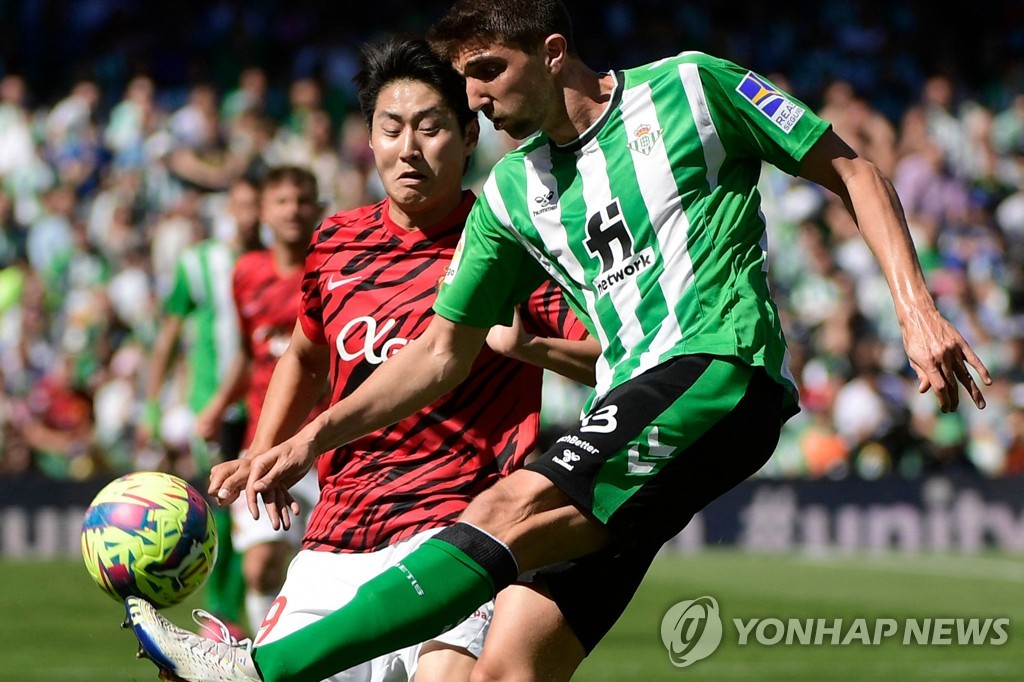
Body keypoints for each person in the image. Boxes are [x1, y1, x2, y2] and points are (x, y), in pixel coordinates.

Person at [127, 1, 992, 680]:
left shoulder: (693, 86)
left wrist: (915, 307)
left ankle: (257, 672)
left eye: (487, 75)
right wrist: (307, 439)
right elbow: (437, 355)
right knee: (505, 666)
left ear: (549, 52)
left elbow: (851, 166)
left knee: (500, 510)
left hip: (717, 370)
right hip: (638, 413)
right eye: (465, 83)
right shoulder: (512, 193)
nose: (475, 101)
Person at [127, 38, 597, 682]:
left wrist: (529, 346)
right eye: (391, 129)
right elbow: (304, 353)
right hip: (341, 530)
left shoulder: (512, 241)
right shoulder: (335, 241)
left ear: (467, 137)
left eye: (431, 128)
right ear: (370, 142)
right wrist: (266, 453)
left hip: (457, 530)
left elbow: (613, 357)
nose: (410, 148)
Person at [194, 165, 328, 638]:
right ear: (263, 212)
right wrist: (216, 406)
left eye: (302, 200)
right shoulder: (246, 273)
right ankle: (266, 659)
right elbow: (252, 357)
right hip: (265, 441)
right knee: (261, 566)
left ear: (318, 208)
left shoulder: (334, 267)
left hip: (330, 443)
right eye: (282, 201)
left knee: (330, 574)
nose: (293, 210)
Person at [141, 176, 263, 636]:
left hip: (260, 401)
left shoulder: (277, 260)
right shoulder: (200, 263)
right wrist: (152, 402)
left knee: (245, 511)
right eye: (243, 204)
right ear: (232, 207)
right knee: (222, 505)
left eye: (257, 204)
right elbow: (170, 335)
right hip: (212, 404)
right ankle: (222, 613)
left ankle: (233, 610)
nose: (251, 214)